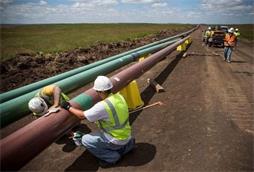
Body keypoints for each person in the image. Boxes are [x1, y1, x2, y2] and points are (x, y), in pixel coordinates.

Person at [61, 76, 135, 167]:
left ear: (102, 91)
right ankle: (127, 146)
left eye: (97, 91)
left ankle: (111, 157)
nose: (97, 93)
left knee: (85, 139)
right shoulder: (119, 96)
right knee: (118, 138)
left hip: (115, 138)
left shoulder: (102, 106)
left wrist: (68, 107)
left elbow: (82, 115)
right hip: (126, 134)